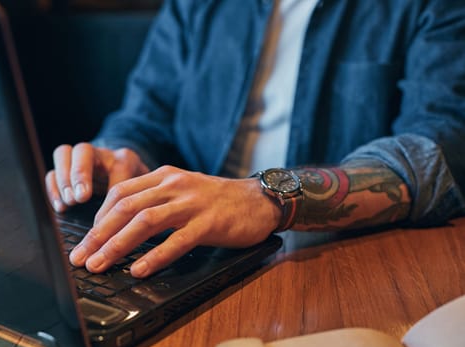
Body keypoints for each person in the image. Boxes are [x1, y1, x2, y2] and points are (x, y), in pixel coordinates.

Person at [45, 0, 465, 279]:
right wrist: (121, 157)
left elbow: (437, 157)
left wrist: (266, 199)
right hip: (192, 253)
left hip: (342, 262)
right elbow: (144, 118)